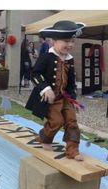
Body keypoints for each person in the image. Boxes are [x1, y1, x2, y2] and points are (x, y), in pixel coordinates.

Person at [26, 20, 85, 161]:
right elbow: (35, 74)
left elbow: (71, 82)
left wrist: (74, 99)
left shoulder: (70, 60)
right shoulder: (47, 57)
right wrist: (46, 88)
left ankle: (73, 151)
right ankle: (44, 137)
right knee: (57, 121)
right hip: (51, 99)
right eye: (66, 41)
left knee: (72, 122)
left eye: (72, 41)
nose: (70, 44)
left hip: (65, 98)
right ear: (54, 41)